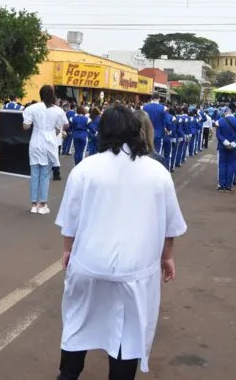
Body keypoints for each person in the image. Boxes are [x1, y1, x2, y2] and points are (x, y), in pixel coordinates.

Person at [55, 105, 187, 379]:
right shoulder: (157, 172)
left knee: (77, 323)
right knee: (128, 337)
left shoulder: (85, 169)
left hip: (89, 265)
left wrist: (68, 251)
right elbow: (169, 225)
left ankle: (67, 375)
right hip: (135, 272)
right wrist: (167, 257)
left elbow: (71, 220)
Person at [23, 85, 67, 215]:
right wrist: (52, 132)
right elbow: (63, 126)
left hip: (35, 141)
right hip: (49, 143)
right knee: (45, 175)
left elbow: (26, 126)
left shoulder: (32, 108)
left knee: (34, 173)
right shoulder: (58, 111)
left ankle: (33, 204)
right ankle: (42, 204)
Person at [216, 106, 236, 191]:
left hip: (222, 146)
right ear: (231, 112)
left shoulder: (219, 121)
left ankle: (221, 185)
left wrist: (225, 142)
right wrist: (234, 143)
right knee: (231, 164)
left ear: (225, 112)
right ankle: (228, 186)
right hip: (233, 146)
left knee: (222, 165)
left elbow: (218, 134)